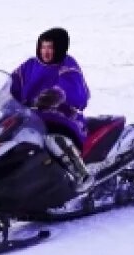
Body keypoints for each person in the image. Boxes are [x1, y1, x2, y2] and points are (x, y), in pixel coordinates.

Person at [10, 27, 94, 191]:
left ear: (60, 48)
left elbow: (77, 91)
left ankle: (80, 174)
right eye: (43, 47)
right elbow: (12, 84)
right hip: (30, 116)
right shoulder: (29, 66)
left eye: (51, 48)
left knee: (53, 138)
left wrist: (58, 94)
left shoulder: (67, 65)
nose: (46, 52)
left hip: (62, 117)